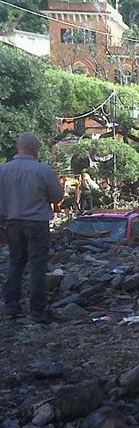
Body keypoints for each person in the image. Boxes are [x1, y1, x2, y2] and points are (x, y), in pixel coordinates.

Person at [0, 133, 64, 321]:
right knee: (37, 265)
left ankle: (11, 304)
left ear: (18, 148)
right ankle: (37, 309)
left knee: (15, 261)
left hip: (11, 223)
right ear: (35, 149)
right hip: (36, 223)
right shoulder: (43, 170)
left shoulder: (3, 170)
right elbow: (57, 196)